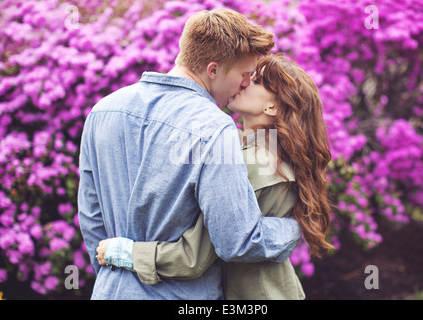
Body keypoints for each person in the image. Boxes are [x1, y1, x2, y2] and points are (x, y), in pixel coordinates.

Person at [78, 9, 301, 300]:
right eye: (244, 75)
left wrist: (116, 277)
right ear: (213, 70)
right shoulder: (213, 126)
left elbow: (91, 219)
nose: (245, 83)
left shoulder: (103, 110)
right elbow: (236, 241)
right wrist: (293, 230)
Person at [96, 54, 335, 299]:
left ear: (272, 107)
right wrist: (291, 232)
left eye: (258, 82)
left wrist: (126, 253)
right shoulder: (264, 152)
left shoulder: (256, 163)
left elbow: (195, 256)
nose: (245, 82)